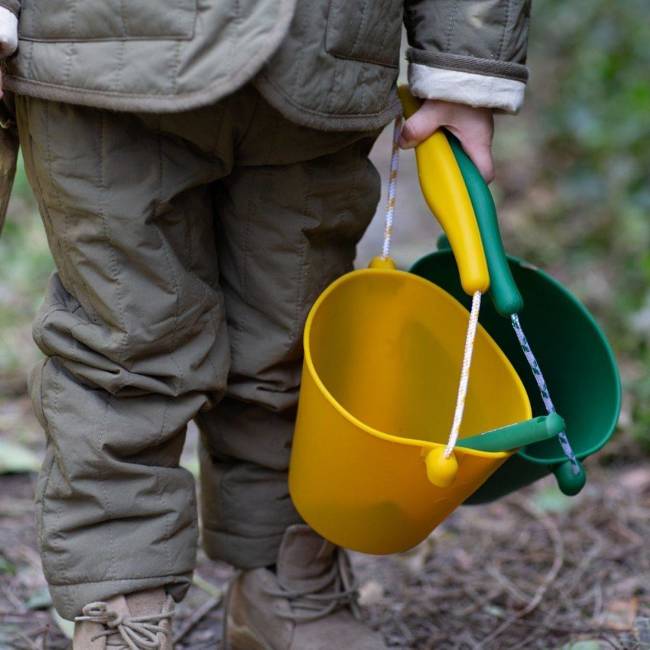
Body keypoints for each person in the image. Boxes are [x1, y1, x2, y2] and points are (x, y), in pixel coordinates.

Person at [0, 1, 531, 647]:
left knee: (298, 340)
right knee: (124, 346)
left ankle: (287, 579)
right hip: (103, 51)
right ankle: (122, 597)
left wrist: (463, 65)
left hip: (325, 57)